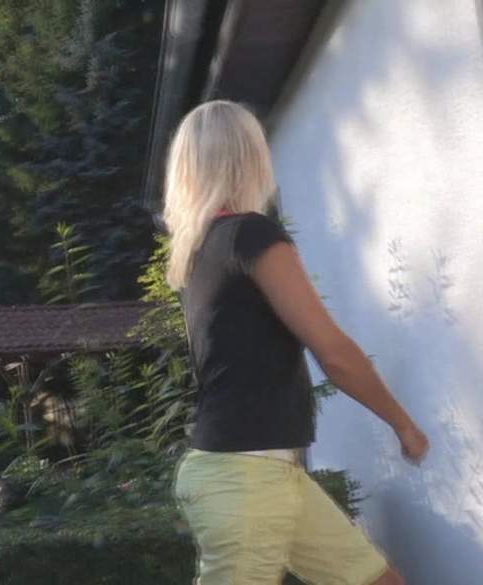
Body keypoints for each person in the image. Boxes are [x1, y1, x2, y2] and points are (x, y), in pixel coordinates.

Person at [163, 101, 429, 585]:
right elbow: (334, 353)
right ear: (249, 157)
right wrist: (403, 424)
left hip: (266, 473)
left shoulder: (200, 252)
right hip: (245, 479)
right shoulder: (250, 235)